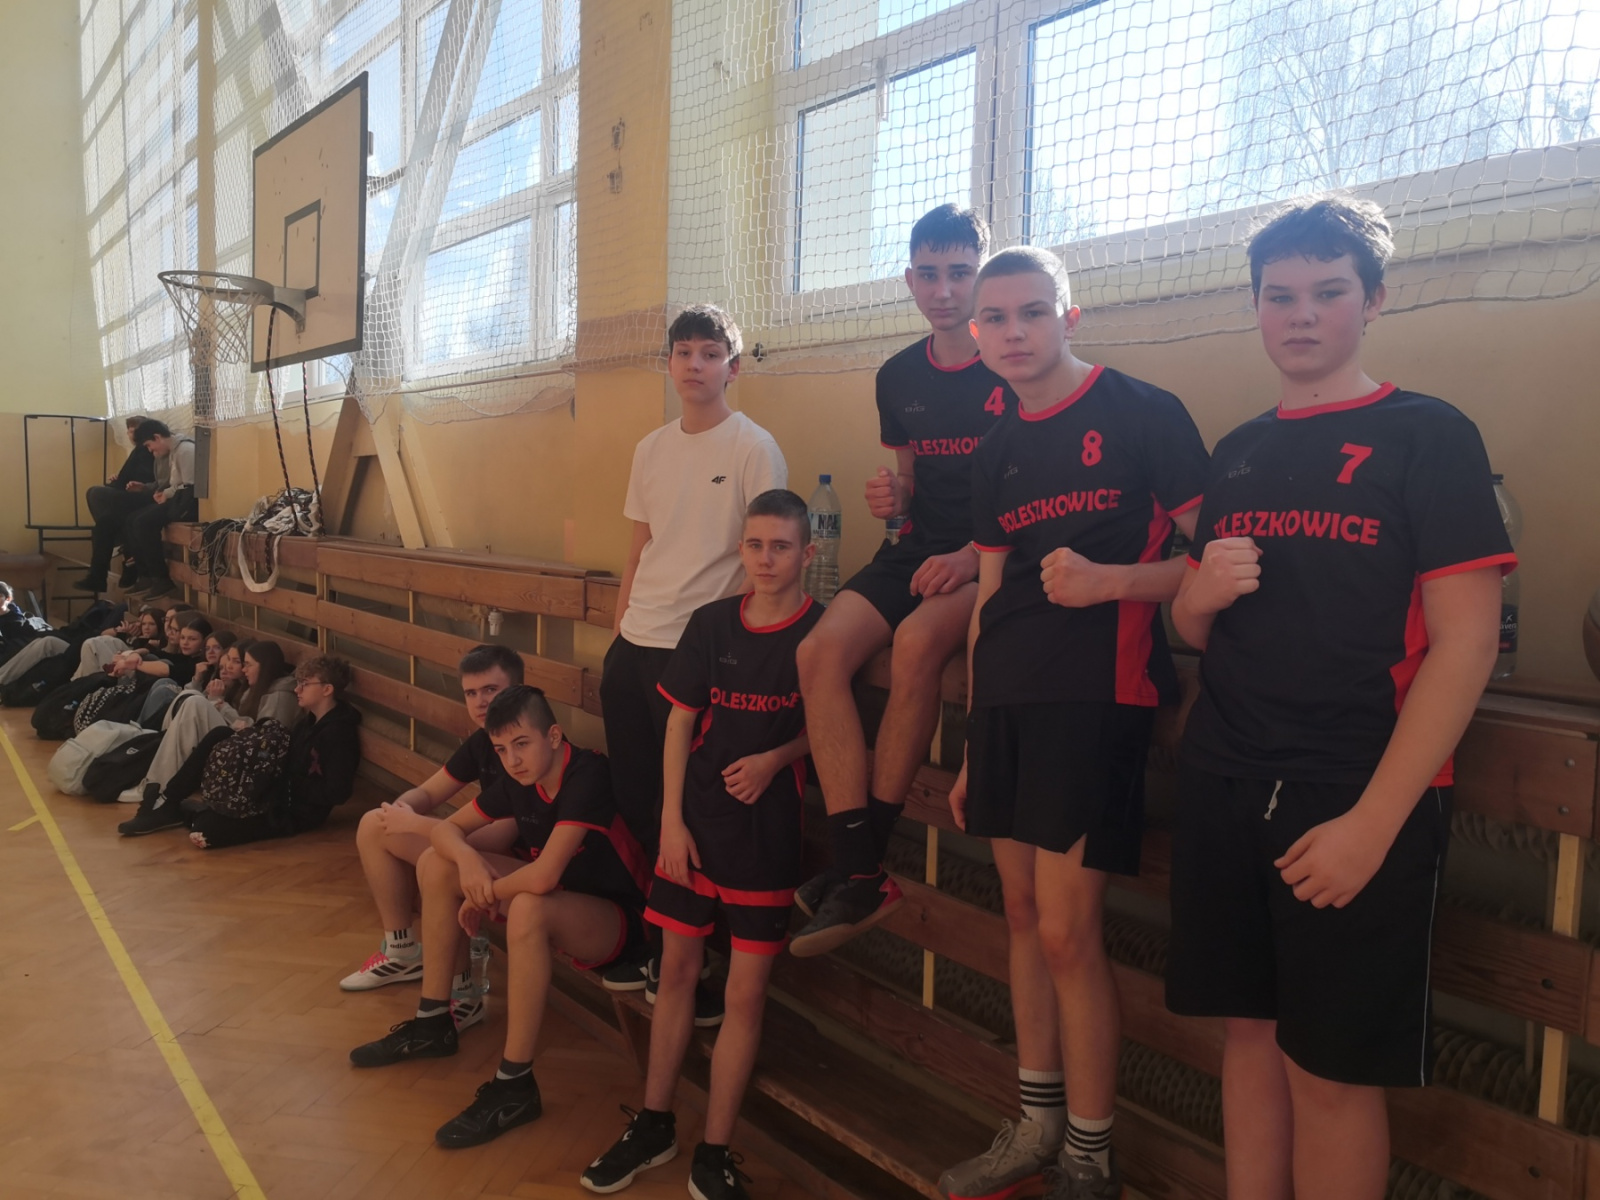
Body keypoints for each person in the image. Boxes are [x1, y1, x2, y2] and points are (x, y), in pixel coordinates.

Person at [1163, 197, 1512, 1200]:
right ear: (1256, 306)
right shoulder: (1236, 451)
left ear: (1374, 300)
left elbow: (1465, 644)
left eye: (1328, 292)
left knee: (1328, 1074)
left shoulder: (1428, 434)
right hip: (1225, 777)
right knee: (1247, 1038)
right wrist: (1196, 597)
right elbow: (1197, 625)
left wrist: (1373, 823)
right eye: (1279, 296)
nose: (1301, 314)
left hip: (1353, 792)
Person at [938, 245, 1209, 1200]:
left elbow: (1220, 561)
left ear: (1069, 316)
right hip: (1008, 703)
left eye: (1032, 312)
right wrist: (973, 740)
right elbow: (989, 598)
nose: (1013, 332)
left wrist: (1113, 583)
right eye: (995, 318)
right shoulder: (994, 450)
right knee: (1020, 917)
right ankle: (1037, 1128)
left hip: (1098, 699)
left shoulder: (1143, 412)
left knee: (1065, 932)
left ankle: (1091, 1158)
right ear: (975, 334)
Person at [581, 490, 822, 1199]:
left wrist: (776, 759)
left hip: (766, 839)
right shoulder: (712, 623)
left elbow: (833, 729)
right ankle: (655, 1122)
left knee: (744, 995)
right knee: (677, 972)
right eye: (755, 545)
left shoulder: (823, 633)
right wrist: (670, 823)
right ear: (740, 549)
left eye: (781, 546)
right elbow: (679, 726)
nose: (766, 559)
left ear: (807, 554)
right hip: (694, 828)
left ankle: (714, 1153)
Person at [790, 204, 1016, 956]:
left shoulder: (1013, 360)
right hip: (917, 550)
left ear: (980, 275)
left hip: (991, 557)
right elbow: (910, 486)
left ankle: (860, 867)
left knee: (917, 644)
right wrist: (893, 497)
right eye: (929, 274)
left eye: (960, 273)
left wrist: (973, 557)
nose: (944, 289)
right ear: (910, 279)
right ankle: (860, 867)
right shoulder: (897, 376)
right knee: (817, 653)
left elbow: (1037, 487)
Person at [348, 685, 648, 1151]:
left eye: (521, 744)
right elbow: (448, 830)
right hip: (563, 900)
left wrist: (479, 896)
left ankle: (514, 1084)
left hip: (622, 922)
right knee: (441, 864)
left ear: (553, 735)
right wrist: (468, 863)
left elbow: (545, 876)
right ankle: (433, 1023)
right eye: (502, 749)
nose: (512, 760)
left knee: (528, 905)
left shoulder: (587, 774)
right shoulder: (519, 779)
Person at [598, 304, 786, 1009]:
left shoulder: (754, 447)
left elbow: (761, 560)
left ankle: (692, 967)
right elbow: (639, 549)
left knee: (691, 813)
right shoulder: (650, 449)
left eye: (710, 353)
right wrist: (620, 634)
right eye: (684, 353)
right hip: (634, 648)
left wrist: (718, 645)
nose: (696, 365)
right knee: (639, 805)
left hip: (698, 657)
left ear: (732, 368)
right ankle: (656, 948)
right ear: (669, 364)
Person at [340, 643, 526, 995]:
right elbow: (427, 793)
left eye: (491, 689)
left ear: (518, 690)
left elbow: (498, 837)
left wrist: (419, 827)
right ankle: (402, 950)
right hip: (484, 854)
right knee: (375, 823)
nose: (480, 702)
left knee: (439, 861)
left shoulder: (527, 745)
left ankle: (461, 988)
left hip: (522, 866)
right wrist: (400, 811)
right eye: (471, 693)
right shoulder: (483, 740)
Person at [116, 639, 300, 834]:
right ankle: (158, 793)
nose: (243, 669)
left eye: (247, 664)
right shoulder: (253, 688)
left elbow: (268, 740)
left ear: (265, 666)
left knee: (196, 704)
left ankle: (160, 795)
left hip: (258, 764)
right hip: (243, 749)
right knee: (191, 701)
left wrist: (222, 706)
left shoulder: (280, 694)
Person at [187, 654, 363, 848]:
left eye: (304, 684)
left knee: (207, 827)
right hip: (278, 796)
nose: (297, 689)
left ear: (327, 689)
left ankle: (198, 815)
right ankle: (177, 804)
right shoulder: (306, 722)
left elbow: (337, 792)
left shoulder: (339, 733)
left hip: (295, 812)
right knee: (220, 737)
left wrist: (286, 783)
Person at [73, 416, 157, 595]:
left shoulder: (146, 449)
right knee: (103, 524)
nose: (132, 435)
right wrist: (117, 481)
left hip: (146, 497)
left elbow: (148, 479)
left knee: (95, 493)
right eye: (130, 431)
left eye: (135, 431)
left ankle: (124, 551)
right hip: (132, 499)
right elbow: (126, 477)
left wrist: (120, 484)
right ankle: (98, 576)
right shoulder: (139, 450)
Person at [122, 420, 198, 602]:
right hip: (176, 498)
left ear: (157, 437)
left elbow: (191, 486)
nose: (150, 450)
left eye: (150, 445)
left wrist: (167, 494)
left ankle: (161, 579)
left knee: (143, 523)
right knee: (132, 519)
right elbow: (176, 484)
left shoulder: (186, 450)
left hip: (188, 504)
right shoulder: (173, 451)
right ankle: (146, 575)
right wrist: (162, 492)